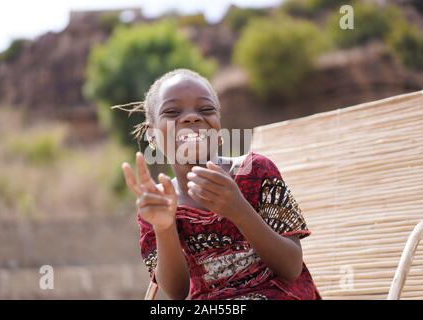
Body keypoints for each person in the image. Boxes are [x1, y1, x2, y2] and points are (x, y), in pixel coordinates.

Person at [118, 68, 321, 300]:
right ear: (152, 135)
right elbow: (177, 292)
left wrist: (239, 209)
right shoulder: (157, 204)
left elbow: (291, 267)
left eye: (206, 109)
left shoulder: (255, 171)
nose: (191, 117)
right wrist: (164, 227)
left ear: (218, 127)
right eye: (173, 111)